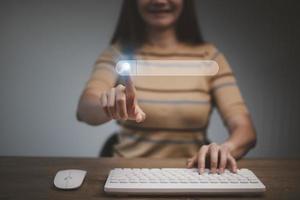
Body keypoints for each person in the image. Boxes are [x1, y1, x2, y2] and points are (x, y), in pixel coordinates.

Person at [77, 0, 257, 174]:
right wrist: (109, 106)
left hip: (193, 175)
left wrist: (226, 149)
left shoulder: (209, 56)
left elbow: (244, 128)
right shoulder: (118, 53)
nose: (160, 1)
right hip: (127, 174)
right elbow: (85, 107)